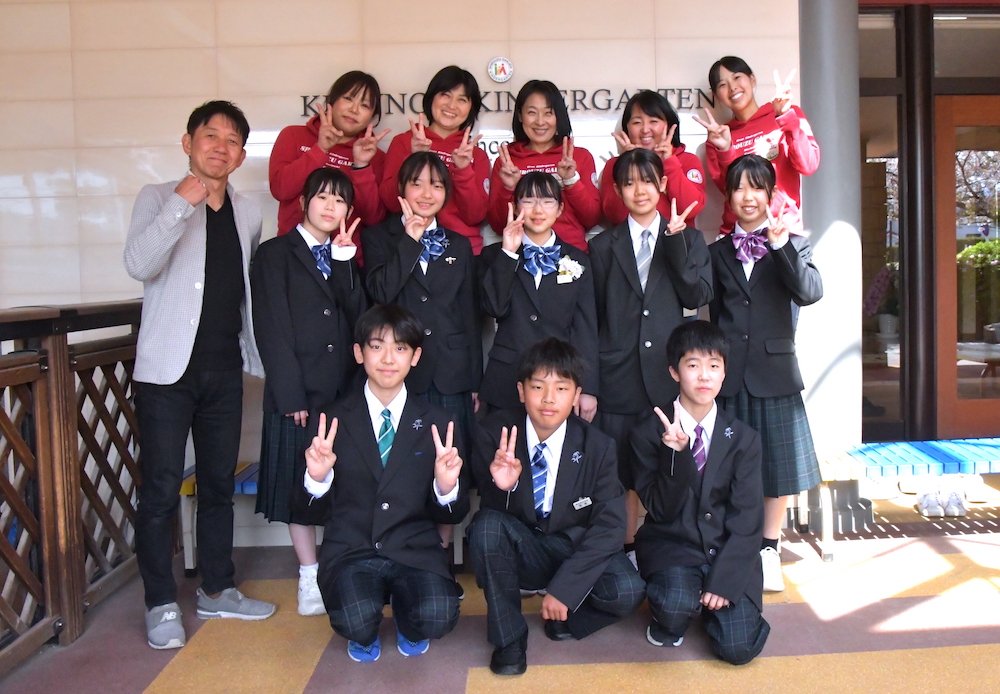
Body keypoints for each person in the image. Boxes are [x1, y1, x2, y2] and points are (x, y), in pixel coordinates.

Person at [124, 101, 275, 650]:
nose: (221, 147)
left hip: (223, 368)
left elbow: (246, 289)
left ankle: (217, 588)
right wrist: (179, 206)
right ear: (188, 142)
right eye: (211, 136)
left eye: (232, 140)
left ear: (241, 155)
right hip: (166, 370)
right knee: (162, 487)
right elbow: (139, 265)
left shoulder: (247, 212)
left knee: (217, 484)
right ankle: (160, 602)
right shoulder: (157, 197)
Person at [468, 338, 645, 676]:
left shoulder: (598, 446)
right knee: (486, 526)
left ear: (576, 396)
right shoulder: (494, 434)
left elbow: (609, 526)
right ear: (521, 391)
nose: (549, 399)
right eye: (538, 387)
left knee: (628, 591)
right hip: (522, 547)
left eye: (561, 388)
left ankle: (566, 618)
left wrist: (566, 590)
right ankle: (509, 639)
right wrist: (507, 487)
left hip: (570, 546)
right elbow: (493, 514)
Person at [303, 304, 469, 662]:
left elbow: (455, 514)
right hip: (351, 549)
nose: (388, 358)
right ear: (359, 353)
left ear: (415, 356)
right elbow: (304, 510)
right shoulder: (330, 420)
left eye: (400, 347)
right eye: (377, 346)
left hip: (414, 548)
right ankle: (364, 628)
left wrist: (446, 488)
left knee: (438, 616)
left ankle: (409, 621)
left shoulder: (439, 422)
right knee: (355, 621)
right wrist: (317, 478)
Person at [250, 168, 368, 616]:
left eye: (339, 201)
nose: (330, 207)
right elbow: (271, 328)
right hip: (298, 394)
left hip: (343, 392)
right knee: (297, 485)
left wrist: (344, 263)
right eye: (322, 197)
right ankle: (307, 575)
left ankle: (338, 569)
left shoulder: (345, 255)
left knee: (341, 483)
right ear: (303, 202)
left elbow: (359, 319)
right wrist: (289, 393)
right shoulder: (274, 254)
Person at [589, 148, 712, 559]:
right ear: (617, 190)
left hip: (667, 375)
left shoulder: (688, 238)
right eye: (628, 183)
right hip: (617, 376)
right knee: (619, 473)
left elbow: (696, 296)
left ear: (662, 184)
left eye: (646, 180)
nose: (639, 190)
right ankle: (623, 552)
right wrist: (591, 384)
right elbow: (593, 319)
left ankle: (669, 552)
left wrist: (675, 243)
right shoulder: (602, 246)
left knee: (670, 464)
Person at [708, 154, 823, 592]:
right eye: (739, 187)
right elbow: (709, 310)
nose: (748, 196)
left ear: (771, 195)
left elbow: (809, 292)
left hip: (774, 373)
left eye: (757, 187)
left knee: (777, 467)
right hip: (728, 375)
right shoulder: (716, 252)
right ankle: (734, 546)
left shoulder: (794, 245)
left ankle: (769, 548)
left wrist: (779, 247)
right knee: (727, 465)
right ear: (728, 196)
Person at [631, 320, 770, 665]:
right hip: (673, 547)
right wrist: (675, 455)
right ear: (674, 372)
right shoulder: (646, 432)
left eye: (714, 366)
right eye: (693, 365)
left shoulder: (744, 438)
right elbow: (660, 509)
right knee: (675, 607)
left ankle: (714, 607)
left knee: (737, 649)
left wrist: (725, 580)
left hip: (727, 549)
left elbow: (748, 517)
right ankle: (674, 612)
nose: (704, 376)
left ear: (724, 373)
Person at [363, 151, 481, 455]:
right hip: (400, 371)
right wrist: (410, 241)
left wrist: (474, 380)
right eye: (417, 184)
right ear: (401, 187)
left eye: (437, 185)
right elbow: (381, 292)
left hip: (450, 373)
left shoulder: (459, 244)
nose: (427, 194)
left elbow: (468, 314)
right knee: (404, 460)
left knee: (451, 460)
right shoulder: (378, 237)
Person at [479, 172, 598, 416]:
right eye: (528, 200)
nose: (538, 209)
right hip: (506, 378)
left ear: (560, 209)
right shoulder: (495, 256)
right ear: (515, 207)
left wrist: (588, 387)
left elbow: (585, 328)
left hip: (559, 380)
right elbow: (493, 308)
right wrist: (509, 253)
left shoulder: (577, 260)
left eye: (547, 201)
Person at [268, 70, 389, 263]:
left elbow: (373, 218)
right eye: (348, 98)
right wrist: (320, 149)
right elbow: (280, 189)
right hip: (292, 257)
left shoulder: (375, 156)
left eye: (365, 105)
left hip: (348, 259)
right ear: (331, 101)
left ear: (372, 117)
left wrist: (361, 166)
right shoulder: (294, 136)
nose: (354, 109)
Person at [694, 57, 820, 235]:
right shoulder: (718, 137)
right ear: (716, 96)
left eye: (737, 77)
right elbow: (729, 191)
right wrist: (725, 150)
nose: (732, 87)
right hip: (738, 234)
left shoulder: (786, 114)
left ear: (752, 79)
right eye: (723, 84)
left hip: (783, 228)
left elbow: (808, 165)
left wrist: (786, 118)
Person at [379, 66, 490, 253]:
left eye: (462, 99)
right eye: (445, 95)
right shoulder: (405, 142)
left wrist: (463, 170)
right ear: (432, 97)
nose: (452, 105)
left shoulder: (475, 155)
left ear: (471, 108)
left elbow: (475, 216)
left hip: (462, 251)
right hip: (410, 245)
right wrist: (413, 159)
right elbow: (391, 203)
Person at [488, 80, 601, 251]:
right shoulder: (507, 162)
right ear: (520, 116)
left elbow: (591, 219)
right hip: (521, 255)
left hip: (571, 255)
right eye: (532, 112)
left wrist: (571, 181)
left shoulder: (578, 157)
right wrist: (508, 189)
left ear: (558, 116)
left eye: (548, 113)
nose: (540, 122)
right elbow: (498, 226)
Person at [601, 90, 706, 228]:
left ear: (669, 125)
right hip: (629, 241)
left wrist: (670, 163)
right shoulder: (614, 165)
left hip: (678, 239)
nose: (645, 129)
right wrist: (628, 165)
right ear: (626, 127)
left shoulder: (688, 160)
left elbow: (691, 209)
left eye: (653, 121)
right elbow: (615, 215)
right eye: (637, 122)